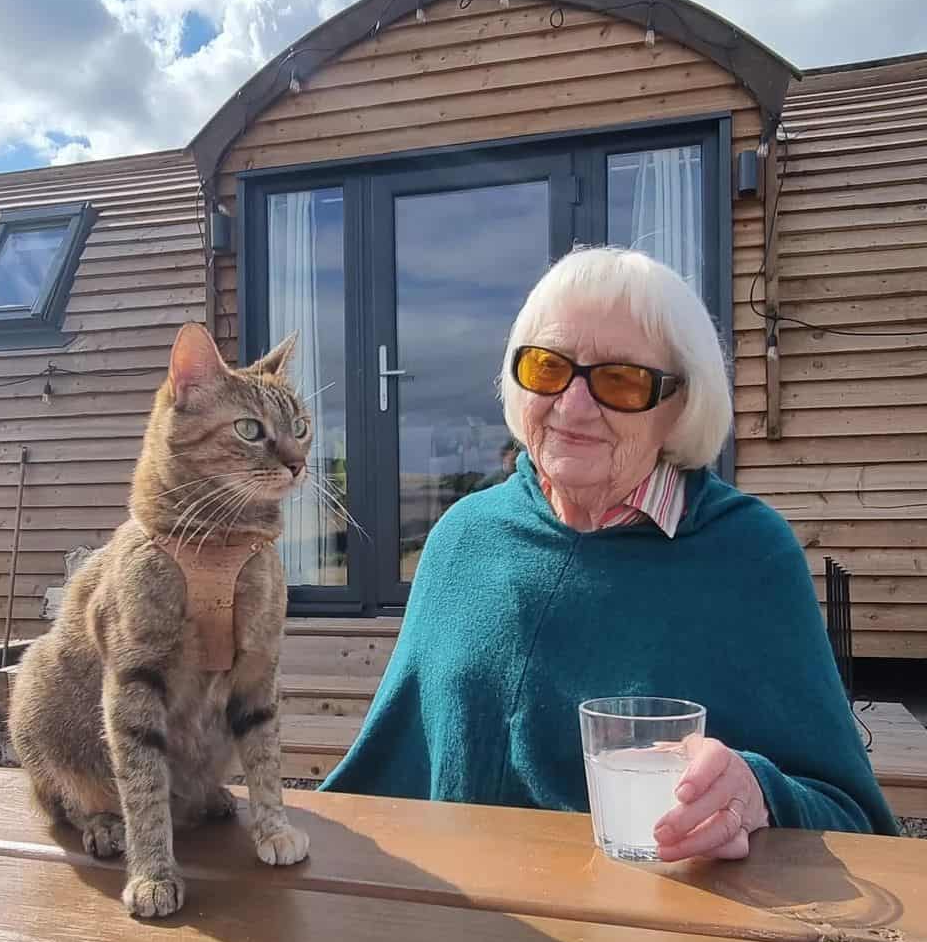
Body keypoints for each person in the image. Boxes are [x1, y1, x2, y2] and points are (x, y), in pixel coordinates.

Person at [322, 247, 898, 859]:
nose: (572, 407)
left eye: (621, 380)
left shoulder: (748, 554)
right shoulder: (465, 538)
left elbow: (853, 818)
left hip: (668, 936)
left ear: (680, 405)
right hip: (466, 933)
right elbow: (389, 780)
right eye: (548, 367)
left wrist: (756, 792)